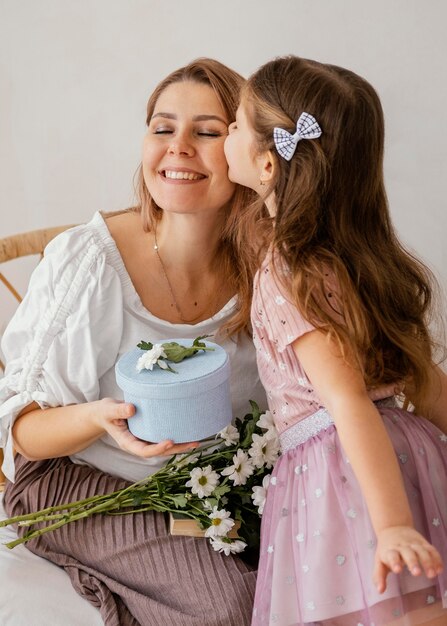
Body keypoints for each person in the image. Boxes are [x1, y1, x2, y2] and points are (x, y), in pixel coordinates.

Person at [0, 58, 267, 626]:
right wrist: (99, 419)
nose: (179, 147)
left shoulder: (271, 268)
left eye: (208, 131)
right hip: (72, 480)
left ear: (247, 151)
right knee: (233, 602)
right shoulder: (91, 263)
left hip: (215, 489)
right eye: (163, 128)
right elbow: (22, 431)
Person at [224, 55, 447, 625]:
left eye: (233, 125)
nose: (225, 131)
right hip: (409, 451)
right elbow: (426, 381)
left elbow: (346, 399)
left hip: (344, 471)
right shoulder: (362, 258)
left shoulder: (287, 269)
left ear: (267, 164)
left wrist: (392, 522)